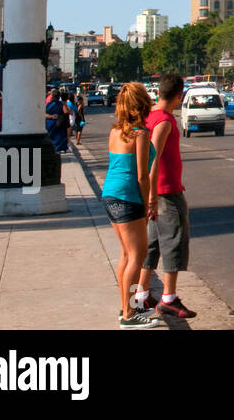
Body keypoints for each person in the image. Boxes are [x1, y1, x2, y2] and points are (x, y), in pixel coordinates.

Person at [101, 83, 160, 329]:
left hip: (110, 193)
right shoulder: (140, 133)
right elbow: (141, 176)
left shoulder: (116, 131)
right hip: (128, 195)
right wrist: (149, 202)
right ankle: (129, 315)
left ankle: (125, 307)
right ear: (142, 104)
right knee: (138, 254)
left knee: (126, 255)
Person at [137, 74, 196, 320]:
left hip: (156, 191)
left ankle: (141, 294)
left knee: (152, 244)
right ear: (179, 95)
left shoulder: (150, 116)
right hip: (166, 191)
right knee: (174, 240)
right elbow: (154, 159)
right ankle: (169, 298)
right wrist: (151, 196)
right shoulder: (164, 121)